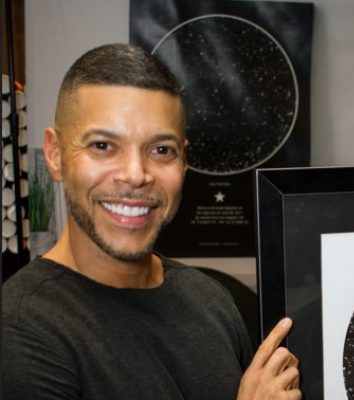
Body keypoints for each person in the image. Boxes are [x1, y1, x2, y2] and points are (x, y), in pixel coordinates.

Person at [2, 43, 301, 400]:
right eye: (102, 145)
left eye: (161, 150)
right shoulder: (22, 328)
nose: (135, 174)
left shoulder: (211, 299)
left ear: (184, 161)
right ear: (55, 155)